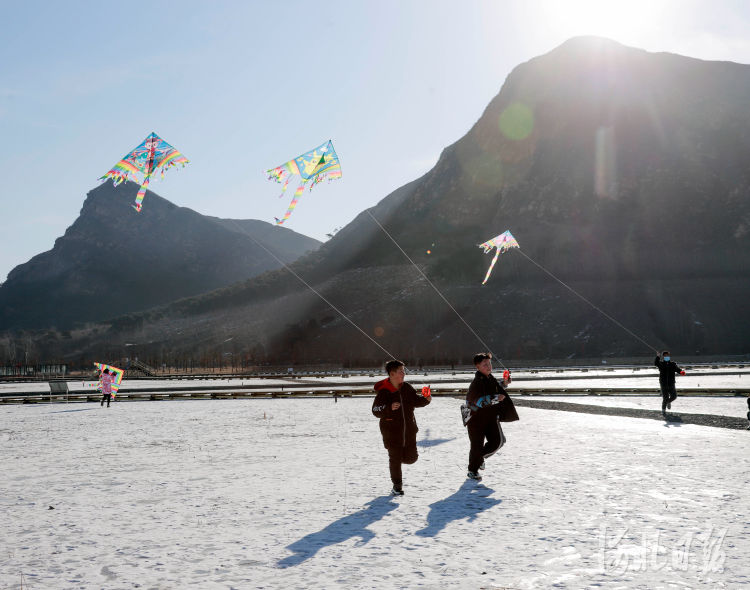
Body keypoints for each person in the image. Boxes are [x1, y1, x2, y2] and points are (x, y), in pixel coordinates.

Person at [372, 360, 431, 495]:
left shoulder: (407, 388)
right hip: (391, 433)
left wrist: (426, 399)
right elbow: (375, 410)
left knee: (412, 458)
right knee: (395, 458)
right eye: (401, 371)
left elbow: (416, 401)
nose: (403, 374)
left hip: (409, 431)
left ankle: (397, 461)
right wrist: (389, 408)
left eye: (404, 371)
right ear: (392, 374)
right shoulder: (384, 392)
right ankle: (397, 486)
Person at [464, 352, 519, 481]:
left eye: (489, 363)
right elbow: (475, 401)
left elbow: (495, 387)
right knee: (476, 445)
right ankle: (472, 470)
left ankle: (479, 459)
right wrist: (495, 398)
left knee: (498, 441)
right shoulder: (476, 383)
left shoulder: (490, 378)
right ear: (478, 367)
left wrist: (504, 383)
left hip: (490, 416)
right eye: (485, 365)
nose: (488, 366)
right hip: (475, 419)